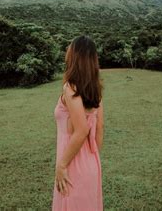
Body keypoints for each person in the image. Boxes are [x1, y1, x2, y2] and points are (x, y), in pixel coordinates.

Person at [52, 35, 104, 211]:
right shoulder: (96, 90)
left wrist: (62, 164)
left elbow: (81, 130)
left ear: (75, 56)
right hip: (91, 162)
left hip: (72, 163)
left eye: (70, 48)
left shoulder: (70, 88)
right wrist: (90, 158)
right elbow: (99, 129)